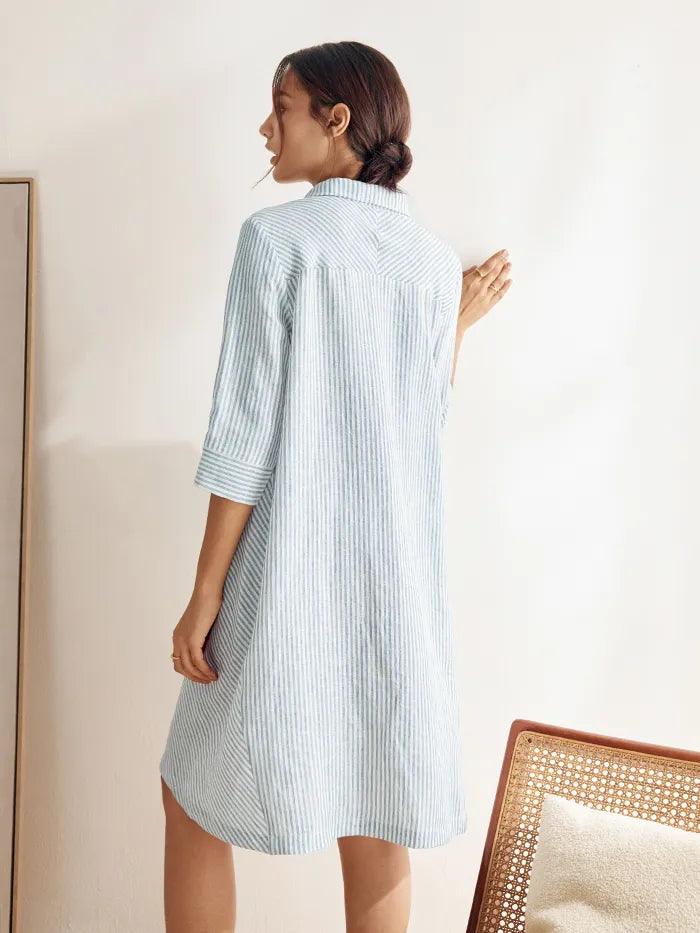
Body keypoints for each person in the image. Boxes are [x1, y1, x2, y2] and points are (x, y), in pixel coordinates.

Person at [159, 40, 512, 933]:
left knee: (192, 794)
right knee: (375, 810)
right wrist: (453, 322)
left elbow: (246, 432)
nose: (265, 127)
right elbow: (413, 423)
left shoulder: (277, 241)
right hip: (396, 586)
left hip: (287, 572)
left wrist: (205, 592)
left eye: (280, 106)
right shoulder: (430, 264)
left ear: (337, 118)